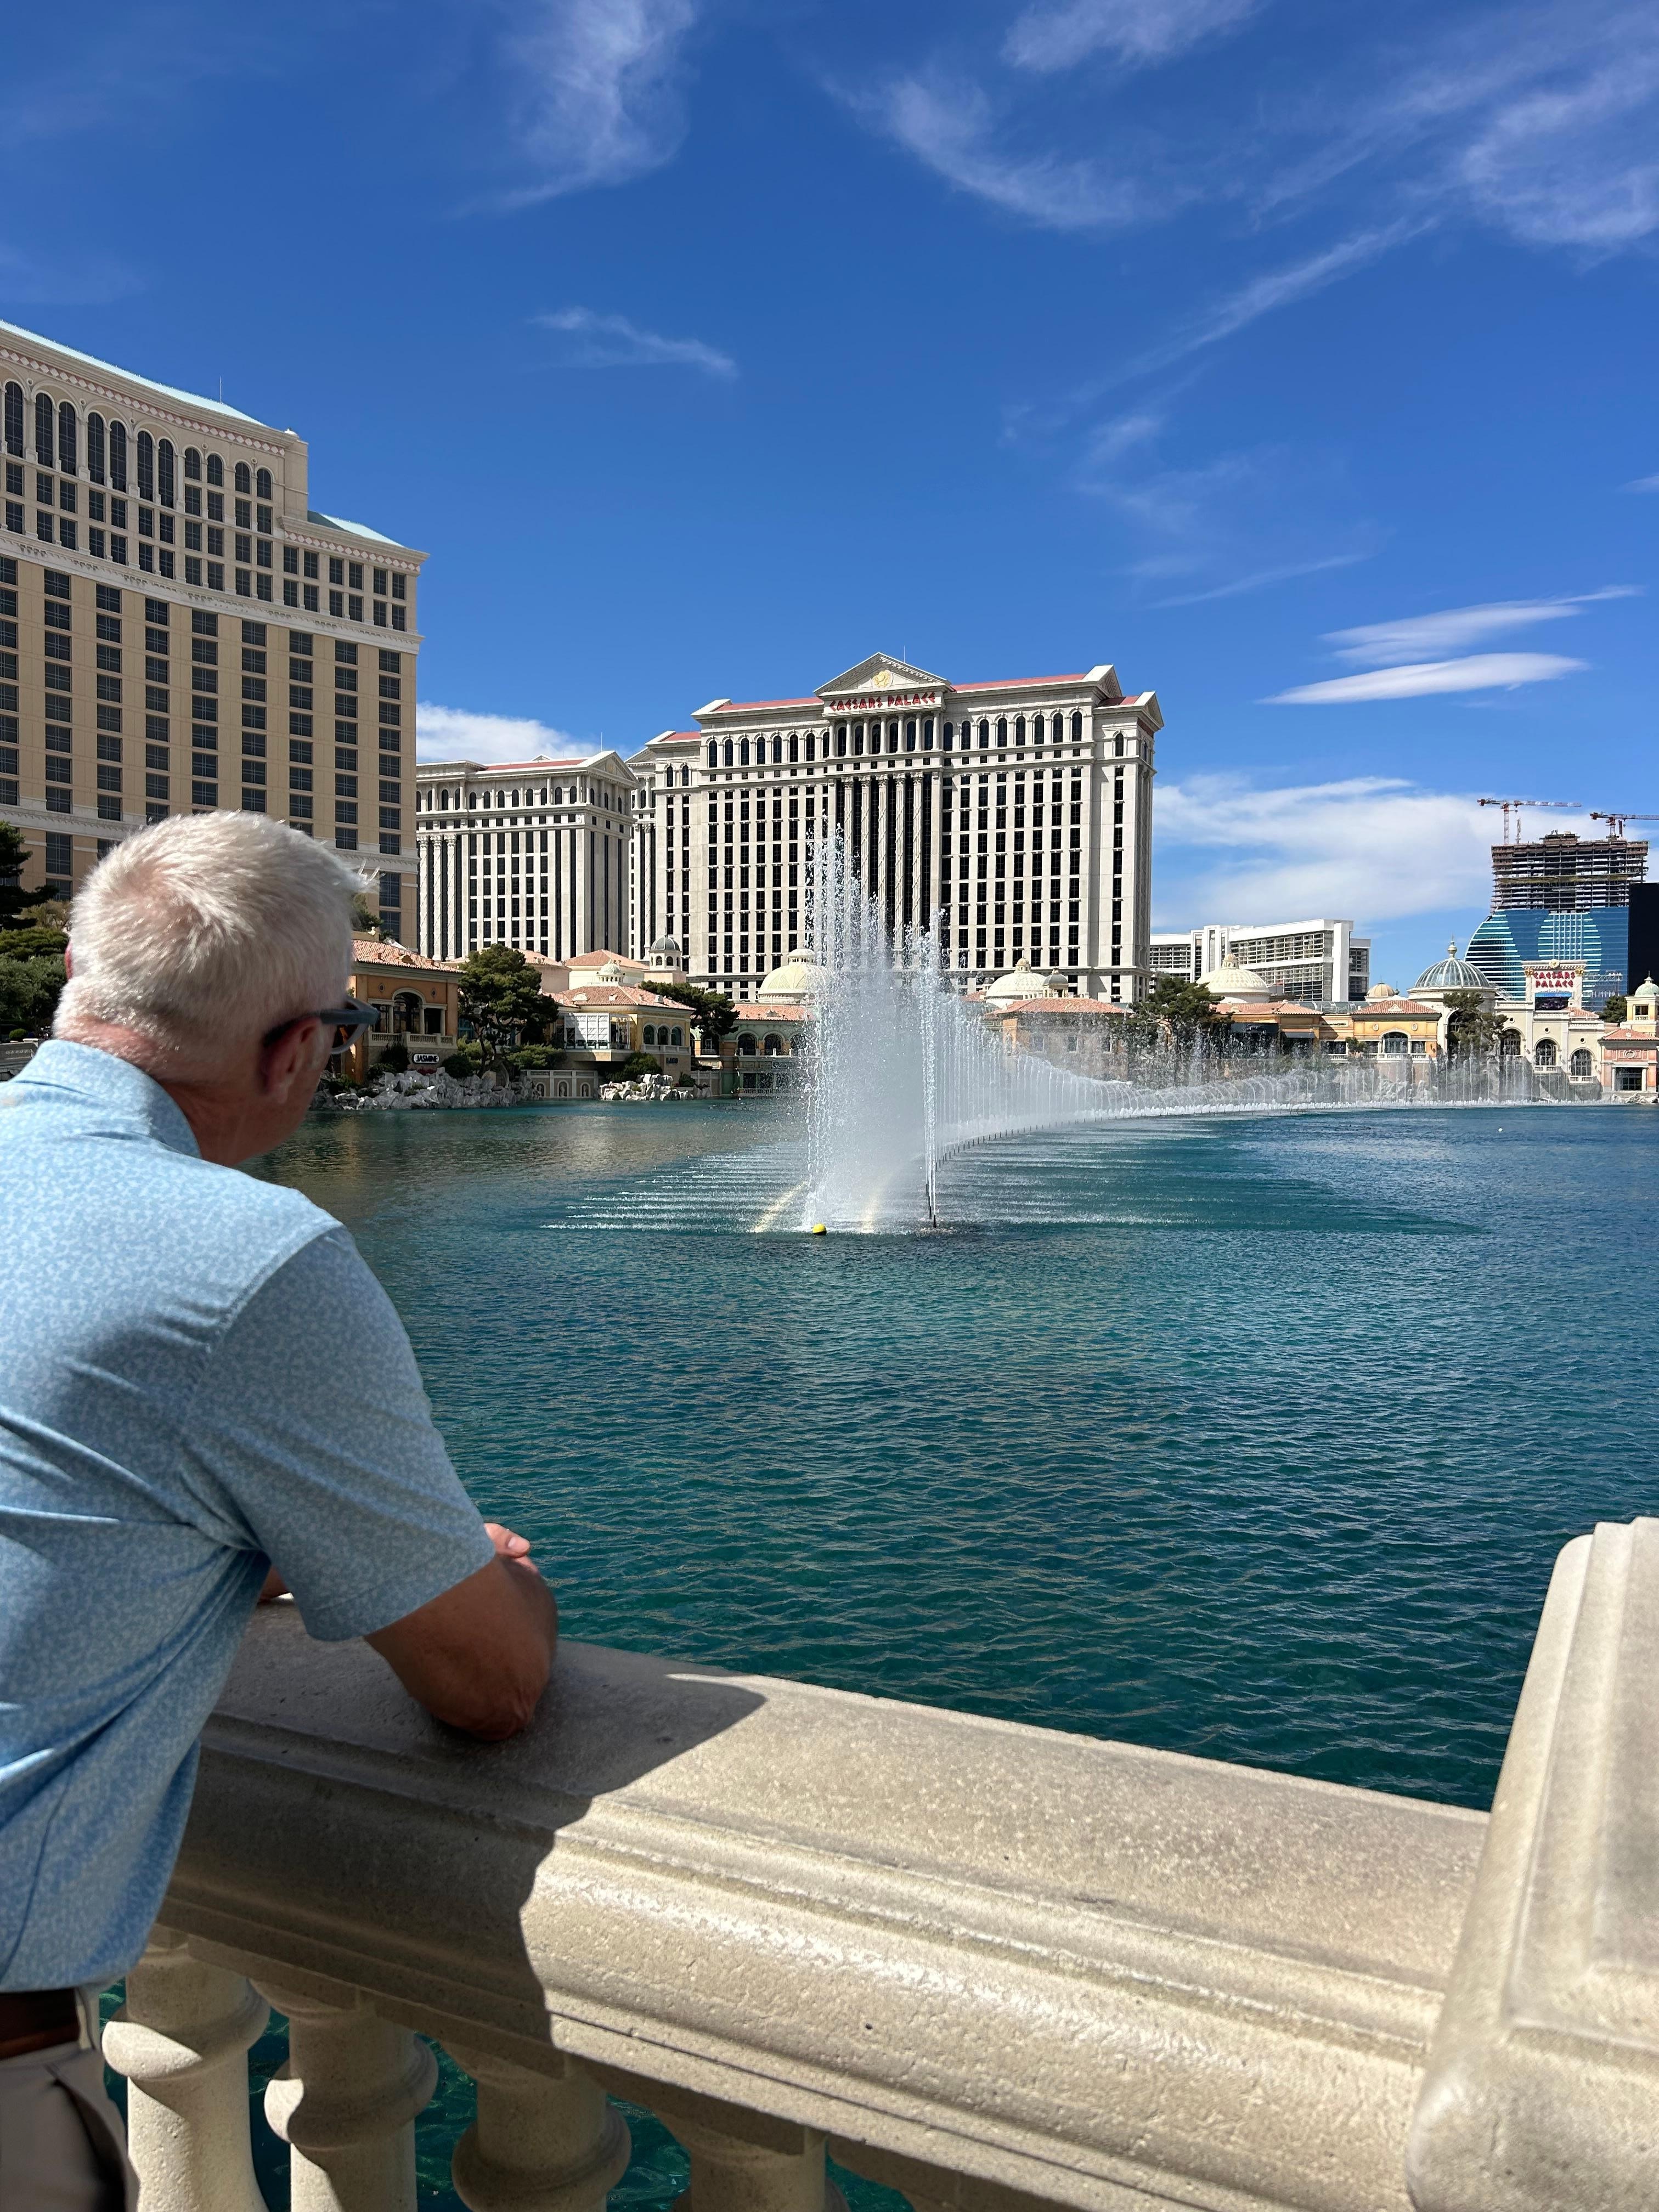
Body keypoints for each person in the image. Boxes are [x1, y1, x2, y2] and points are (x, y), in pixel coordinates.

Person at [0, 814, 558, 2209]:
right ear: (296, 1050)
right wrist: (485, 1569)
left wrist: (201, 1557)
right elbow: (487, 1686)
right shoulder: (248, 1258)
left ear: (79, 985)